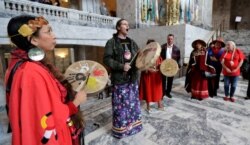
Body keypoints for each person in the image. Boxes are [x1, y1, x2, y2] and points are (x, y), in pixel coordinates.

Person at [6, 15, 87, 145]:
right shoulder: (31, 72)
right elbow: (46, 118)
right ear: (33, 40)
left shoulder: (25, 64)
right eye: (48, 31)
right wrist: (76, 102)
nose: (54, 35)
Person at [103, 19, 142, 138]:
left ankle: (134, 127)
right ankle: (121, 130)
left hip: (132, 79)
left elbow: (139, 56)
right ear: (118, 27)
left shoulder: (132, 42)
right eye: (125, 24)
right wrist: (121, 66)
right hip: (120, 80)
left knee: (133, 105)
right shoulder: (111, 42)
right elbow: (107, 59)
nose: (127, 26)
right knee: (121, 107)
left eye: (127, 24)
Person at [139, 39, 163, 113]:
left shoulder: (158, 55)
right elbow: (141, 66)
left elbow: (161, 64)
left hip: (156, 76)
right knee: (148, 91)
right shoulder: (144, 55)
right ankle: (148, 107)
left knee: (158, 90)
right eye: (149, 45)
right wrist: (148, 69)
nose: (151, 46)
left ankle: (159, 104)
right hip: (147, 76)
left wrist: (162, 67)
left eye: (152, 45)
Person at [161, 34, 180, 98]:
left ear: (173, 39)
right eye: (168, 39)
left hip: (172, 66)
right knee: (163, 80)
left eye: (171, 39)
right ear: (167, 39)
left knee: (170, 80)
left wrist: (178, 67)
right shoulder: (162, 47)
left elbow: (178, 58)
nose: (170, 40)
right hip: (163, 65)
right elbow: (159, 57)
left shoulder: (177, 49)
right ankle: (163, 93)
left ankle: (168, 92)